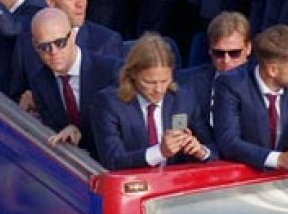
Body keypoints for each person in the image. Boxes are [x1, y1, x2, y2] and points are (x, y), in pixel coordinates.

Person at [212, 24, 288, 172]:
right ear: (272, 70)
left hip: (287, 178)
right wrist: (279, 159)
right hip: (243, 175)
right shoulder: (230, 84)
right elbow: (228, 142)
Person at [91, 33, 213, 169]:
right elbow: (113, 160)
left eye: (164, 81)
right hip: (133, 180)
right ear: (133, 74)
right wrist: (159, 152)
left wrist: (201, 151)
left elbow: (212, 147)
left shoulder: (183, 99)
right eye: (149, 82)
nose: (159, 89)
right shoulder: (109, 103)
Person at [24, 6, 118, 159]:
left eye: (60, 43)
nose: (53, 52)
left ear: (73, 36)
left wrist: (79, 131)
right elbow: (51, 127)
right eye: (45, 47)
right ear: (35, 46)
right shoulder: (39, 80)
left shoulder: (108, 71)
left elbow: (121, 127)